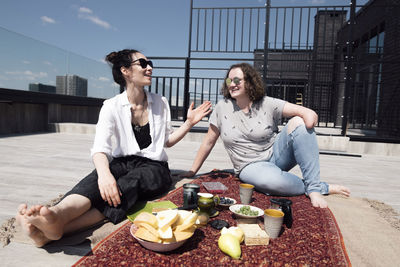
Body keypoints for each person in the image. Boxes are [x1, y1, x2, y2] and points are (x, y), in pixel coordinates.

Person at [16, 49, 212, 247]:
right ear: (125, 70)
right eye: (143, 64)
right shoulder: (111, 106)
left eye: (149, 63)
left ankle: (58, 230)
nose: (150, 67)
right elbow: (100, 148)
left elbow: (166, 142)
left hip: (155, 168)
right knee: (97, 180)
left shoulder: (160, 102)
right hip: (123, 161)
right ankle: (57, 215)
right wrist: (104, 175)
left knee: (127, 185)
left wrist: (188, 123)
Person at [180, 62, 350, 208]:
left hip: (276, 157)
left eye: (237, 80)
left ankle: (313, 189)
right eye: (229, 80)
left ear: (250, 82)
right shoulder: (221, 107)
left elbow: (308, 114)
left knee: (299, 122)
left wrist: (306, 122)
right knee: (272, 183)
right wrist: (192, 170)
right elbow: (208, 142)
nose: (232, 84)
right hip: (249, 166)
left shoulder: (267, 103)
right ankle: (322, 186)